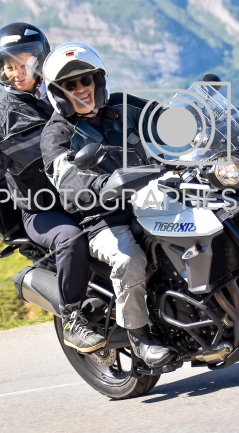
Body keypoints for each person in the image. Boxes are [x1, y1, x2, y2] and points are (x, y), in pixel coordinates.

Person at [0, 23, 105, 353]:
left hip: (90, 194)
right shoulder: (0, 119)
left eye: (25, 62)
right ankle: (73, 320)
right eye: (9, 66)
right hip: (43, 209)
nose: (18, 72)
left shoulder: (66, 94)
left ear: (41, 61)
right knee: (70, 238)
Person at [39, 42, 174, 369]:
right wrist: (104, 186)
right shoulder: (57, 134)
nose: (80, 89)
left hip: (152, 197)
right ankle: (140, 336)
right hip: (105, 219)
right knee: (128, 259)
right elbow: (67, 180)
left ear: (98, 81)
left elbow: (167, 121)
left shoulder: (123, 106)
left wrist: (206, 122)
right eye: (70, 85)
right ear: (58, 93)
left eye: (85, 80)